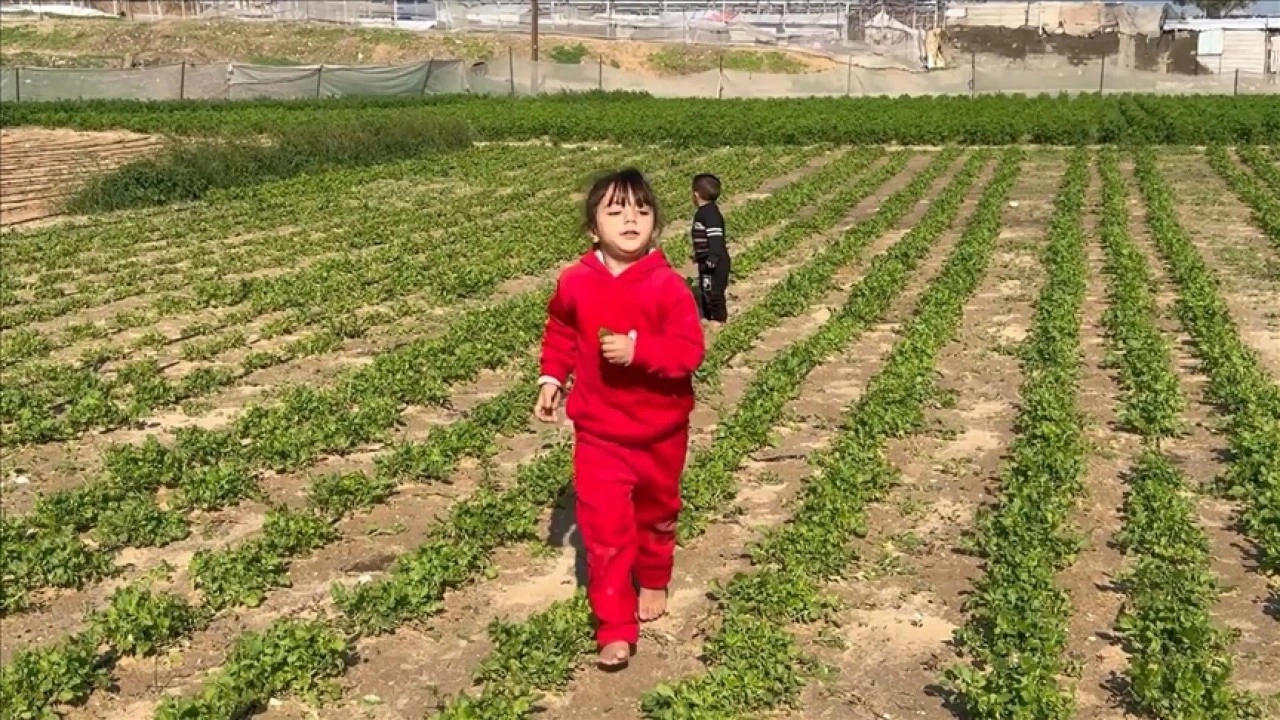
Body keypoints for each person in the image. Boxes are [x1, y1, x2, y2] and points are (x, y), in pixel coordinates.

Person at [535, 168, 705, 670]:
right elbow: (561, 331)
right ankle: (614, 626)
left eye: (642, 210)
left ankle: (654, 575)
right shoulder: (575, 282)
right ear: (593, 228)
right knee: (604, 531)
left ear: (655, 225)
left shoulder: (668, 286)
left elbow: (689, 351)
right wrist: (550, 379)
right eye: (615, 210)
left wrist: (639, 350)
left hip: (660, 433)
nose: (630, 217)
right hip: (599, 433)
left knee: (656, 514)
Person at [691, 173, 729, 325]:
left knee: (714, 293)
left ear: (696, 194)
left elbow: (716, 240)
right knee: (706, 290)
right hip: (706, 261)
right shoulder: (704, 213)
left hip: (715, 262)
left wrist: (712, 259)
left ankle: (719, 320)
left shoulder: (711, 214)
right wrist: (699, 255)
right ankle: (708, 317)